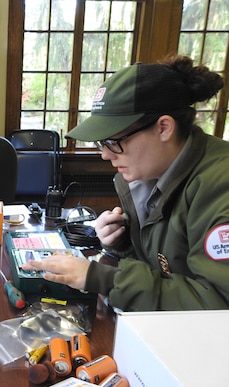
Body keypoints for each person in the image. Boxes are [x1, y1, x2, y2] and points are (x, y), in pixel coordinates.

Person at [23, 55, 229, 311]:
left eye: (113, 142)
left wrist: (103, 279)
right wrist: (124, 244)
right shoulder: (148, 174)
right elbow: (165, 269)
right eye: (101, 143)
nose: (105, 155)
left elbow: (218, 305)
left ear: (164, 128)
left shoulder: (220, 187)